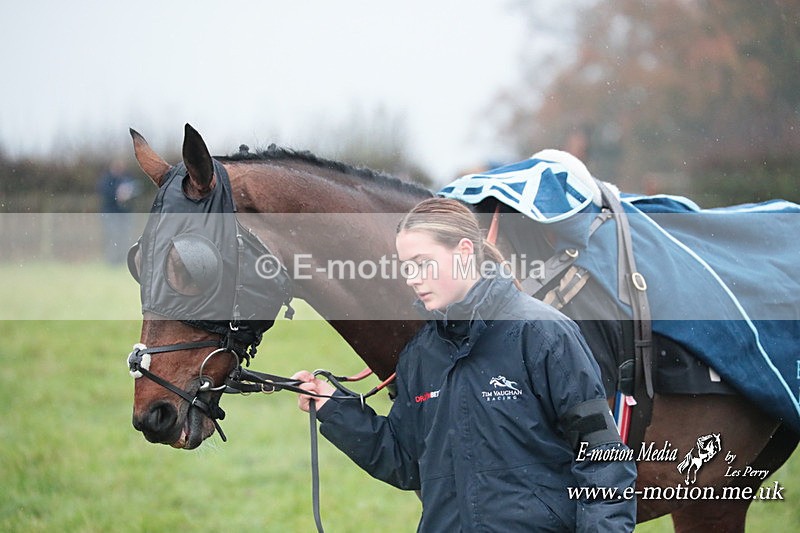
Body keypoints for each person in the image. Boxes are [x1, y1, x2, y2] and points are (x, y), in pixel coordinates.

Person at [293, 198, 637, 532]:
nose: (412, 278)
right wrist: (332, 407)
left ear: (463, 253)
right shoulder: (419, 356)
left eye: (422, 263)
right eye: (406, 267)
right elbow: (406, 463)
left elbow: (602, 456)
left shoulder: (543, 334)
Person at [96, 159, 138, 264]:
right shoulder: (107, 180)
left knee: (125, 237)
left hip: (125, 214)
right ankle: (112, 261)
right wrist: (117, 195)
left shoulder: (126, 178)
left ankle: (124, 260)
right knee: (112, 237)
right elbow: (105, 194)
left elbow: (134, 191)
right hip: (111, 213)